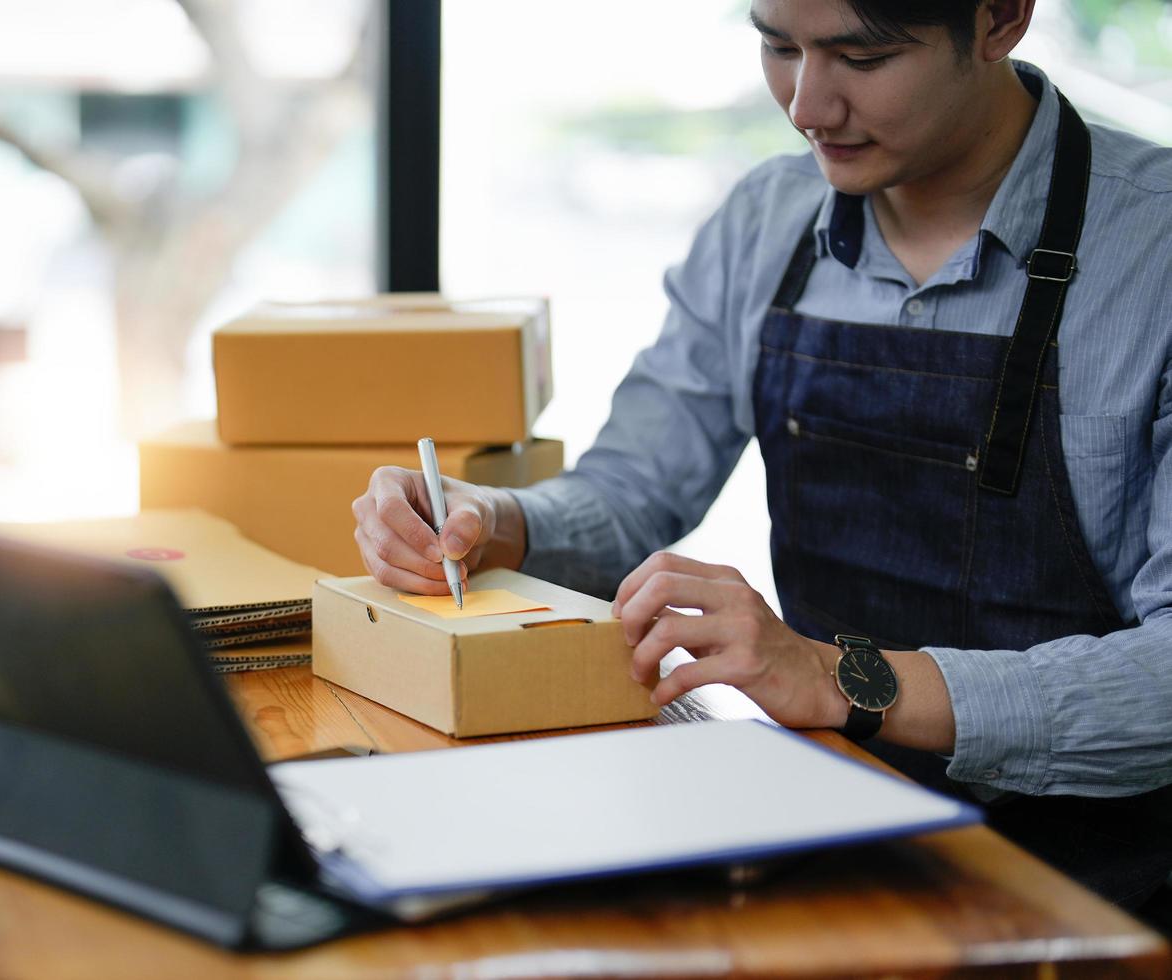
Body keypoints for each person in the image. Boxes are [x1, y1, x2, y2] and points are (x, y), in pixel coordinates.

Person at [353, 0, 1172, 908]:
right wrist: (490, 520)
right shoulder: (763, 221)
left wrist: (836, 677)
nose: (806, 106)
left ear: (998, 21)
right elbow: (631, 492)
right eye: (777, 47)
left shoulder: (1155, 248)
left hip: (1102, 874)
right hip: (833, 823)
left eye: (861, 57)